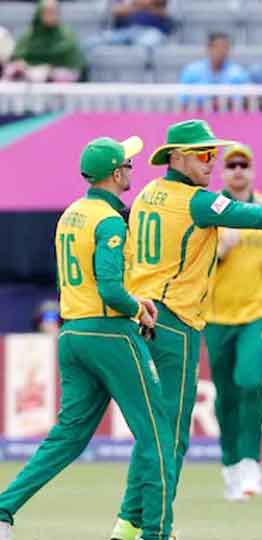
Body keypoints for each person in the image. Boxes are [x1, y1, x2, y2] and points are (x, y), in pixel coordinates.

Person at [109, 120, 262, 540]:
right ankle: (156, 530)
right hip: (176, 321)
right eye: (204, 154)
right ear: (177, 157)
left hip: (147, 315)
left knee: (156, 430)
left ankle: (129, 524)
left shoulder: (146, 194)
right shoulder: (198, 201)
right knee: (169, 437)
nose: (212, 162)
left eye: (214, 154)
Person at [0, 136, 174, 540]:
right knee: (157, 434)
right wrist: (138, 308)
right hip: (110, 334)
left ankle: (3, 510)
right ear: (115, 174)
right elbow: (110, 289)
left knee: (69, 437)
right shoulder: (110, 221)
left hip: (73, 333)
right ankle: (156, 532)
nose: (131, 169)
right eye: (127, 165)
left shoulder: (71, 214)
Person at [202, 143, 262, 502]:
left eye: (244, 164)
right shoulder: (211, 210)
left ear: (253, 171)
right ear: (223, 173)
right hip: (216, 314)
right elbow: (192, 260)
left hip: (259, 311)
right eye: (232, 165)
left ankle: (251, 462)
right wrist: (219, 252)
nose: (238, 170)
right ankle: (230, 466)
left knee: (250, 382)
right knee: (225, 393)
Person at [2, 0, 84, 83]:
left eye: (54, 12)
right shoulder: (30, 35)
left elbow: (72, 63)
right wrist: (22, 65)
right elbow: (18, 55)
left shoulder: (66, 35)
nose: (51, 15)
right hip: (29, 73)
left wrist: (49, 70)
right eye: (47, 12)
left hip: (57, 76)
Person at [84, 0, 173, 54]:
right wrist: (143, 6)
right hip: (124, 31)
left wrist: (135, 5)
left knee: (145, 46)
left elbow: (164, 12)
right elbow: (115, 10)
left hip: (151, 31)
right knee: (90, 42)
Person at [179, 32, 249, 86]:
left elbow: (246, 98)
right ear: (209, 48)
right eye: (218, 47)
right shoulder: (192, 72)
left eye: (225, 47)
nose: (222, 51)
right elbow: (182, 97)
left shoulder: (238, 73)